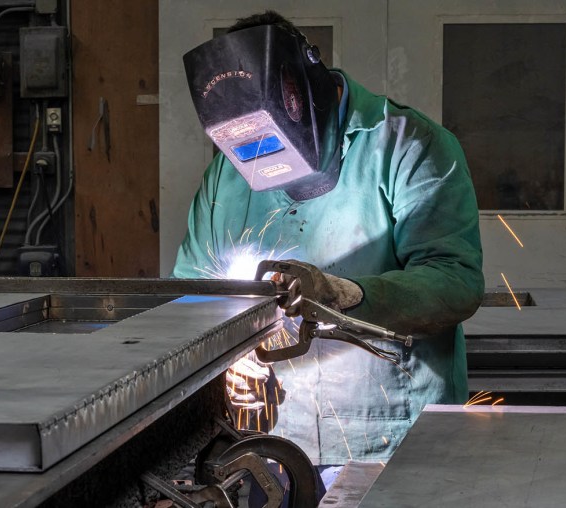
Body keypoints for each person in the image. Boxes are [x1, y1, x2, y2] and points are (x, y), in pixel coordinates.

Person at [172, 10, 484, 495]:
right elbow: (192, 296)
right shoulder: (223, 179)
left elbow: (454, 282)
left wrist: (340, 292)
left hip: (387, 439)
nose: (259, 157)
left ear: (307, 81)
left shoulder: (409, 146)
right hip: (268, 445)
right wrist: (226, 353)